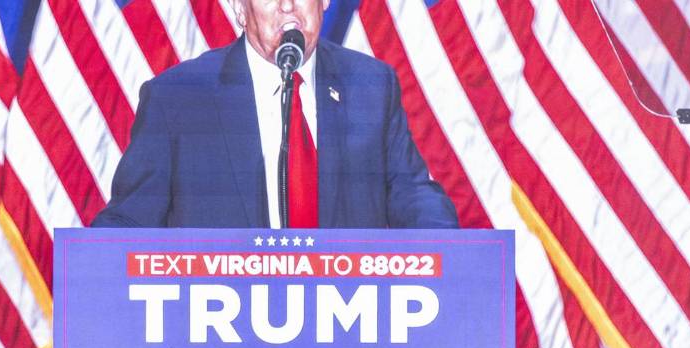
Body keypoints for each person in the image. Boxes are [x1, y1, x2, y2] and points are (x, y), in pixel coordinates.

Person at [91, 0, 457, 228]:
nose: (288, 6)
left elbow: (413, 196)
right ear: (239, 7)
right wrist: (90, 270)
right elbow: (131, 220)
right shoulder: (178, 100)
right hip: (221, 340)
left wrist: (453, 256)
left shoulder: (371, 87)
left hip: (349, 336)